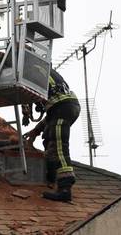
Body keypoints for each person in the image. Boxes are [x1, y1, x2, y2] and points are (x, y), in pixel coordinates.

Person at [23, 68, 80, 201]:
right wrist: (36, 131)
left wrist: (25, 112)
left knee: (58, 146)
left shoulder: (27, 69)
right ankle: (52, 176)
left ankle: (65, 189)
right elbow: (51, 116)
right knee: (50, 135)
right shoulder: (42, 67)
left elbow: (24, 91)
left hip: (62, 106)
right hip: (63, 106)